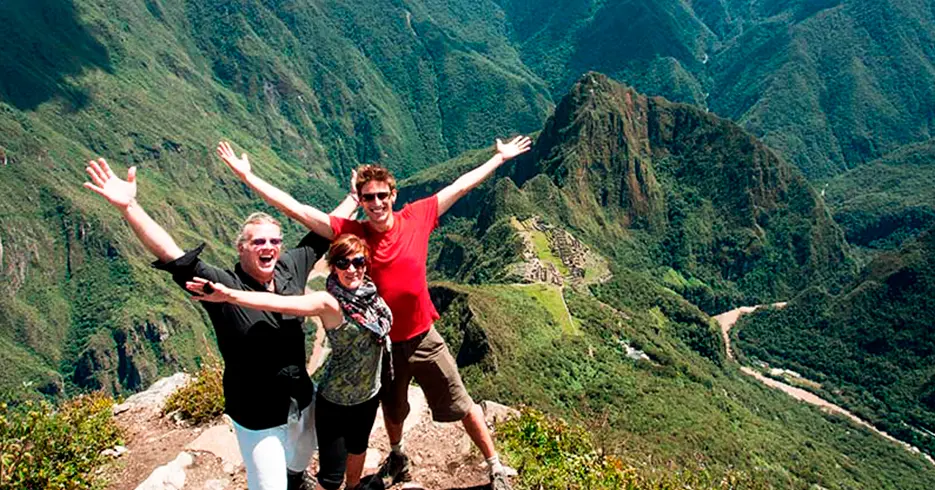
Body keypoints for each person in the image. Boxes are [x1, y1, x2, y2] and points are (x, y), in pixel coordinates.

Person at [215, 136, 532, 490]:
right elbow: (296, 209)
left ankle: (495, 465)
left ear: (394, 196)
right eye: (369, 198)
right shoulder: (354, 233)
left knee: (460, 400)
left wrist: (499, 159)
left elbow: (459, 185)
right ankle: (398, 456)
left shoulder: (418, 216)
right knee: (393, 410)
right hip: (379, 346)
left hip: (423, 334)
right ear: (361, 201)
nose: (377, 203)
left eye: (383, 195)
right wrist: (248, 178)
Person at [82, 158, 357, 490]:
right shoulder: (222, 287)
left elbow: (326, 230)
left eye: (274, 241)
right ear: (241, 248)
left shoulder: (291, 266)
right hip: (257, 413)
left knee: (300, 456)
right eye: (258, 242)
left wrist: (355, 199)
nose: (268, 247)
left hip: (300, 396)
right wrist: (130, 207)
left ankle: (296, 478)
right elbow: (172, 254)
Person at [185, 234, 392, 490]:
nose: (352, 269)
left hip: (369, 395)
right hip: (336, 401)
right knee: (330, 478)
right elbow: (280, 302)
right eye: (342, 263)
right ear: (333, 266)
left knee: (359, 448)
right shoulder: (329, 302)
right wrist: (231, 296)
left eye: (358, 262)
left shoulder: (369, 294)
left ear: (366, 263)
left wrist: (355, 201)